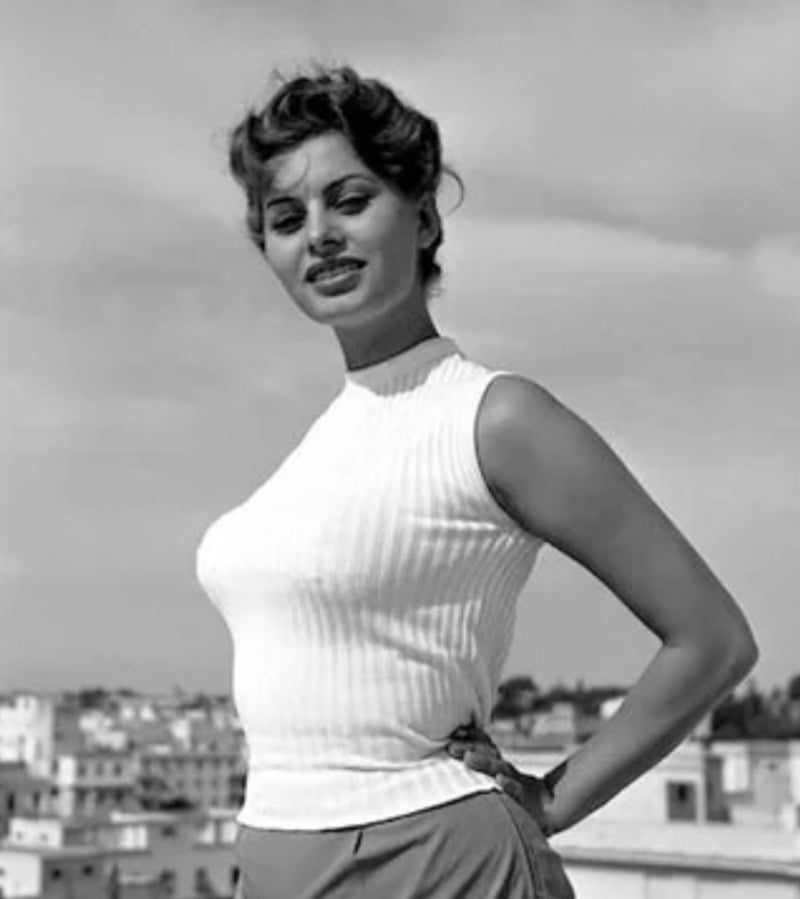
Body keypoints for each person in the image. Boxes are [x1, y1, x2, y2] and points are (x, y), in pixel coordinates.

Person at [195, 63, 759, 899]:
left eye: (349, 202)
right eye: (287, 218)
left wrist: (554, 799)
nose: (318, 233)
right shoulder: (316, 449)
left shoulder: (494, 418)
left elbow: (712, 639)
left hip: (440, 863)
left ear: (421, 217)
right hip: (275, 859)